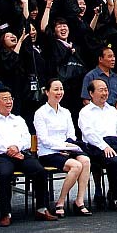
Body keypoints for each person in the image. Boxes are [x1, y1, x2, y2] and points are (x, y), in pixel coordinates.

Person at [0, 88, 52, 225]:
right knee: (4, 174)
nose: (9, 102)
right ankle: (5, 213)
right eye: (5, 99)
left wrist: (16, 148)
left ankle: (41, 208)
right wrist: (9, 149)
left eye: (10, 99)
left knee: (40, 170)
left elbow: (27, 140)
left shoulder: (18, 119)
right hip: (1, 156)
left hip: (21, 153)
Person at [78, 78, 117, 210]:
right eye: (101, 90)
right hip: (96, 145)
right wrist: (104, 146)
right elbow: (89, 134)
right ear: (91, 93)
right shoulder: (85, 112)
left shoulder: (112, 110)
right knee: (114, 162)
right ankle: (116, 197)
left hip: (115, 143)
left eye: (106, 90)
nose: (105, 93)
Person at [33, 79, 92, 216]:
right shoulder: (40, 113)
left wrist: (69, 146)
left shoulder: (65, 112)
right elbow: (44, 139)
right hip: (49, 152)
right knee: (76, 166)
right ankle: (60, 202)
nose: (59, 92)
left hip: (67, 149)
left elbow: (70, 134)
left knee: (85, 160)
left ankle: (79, 201)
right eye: (55, 89)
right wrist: (62, 147)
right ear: (47, 92)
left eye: (61, 89)